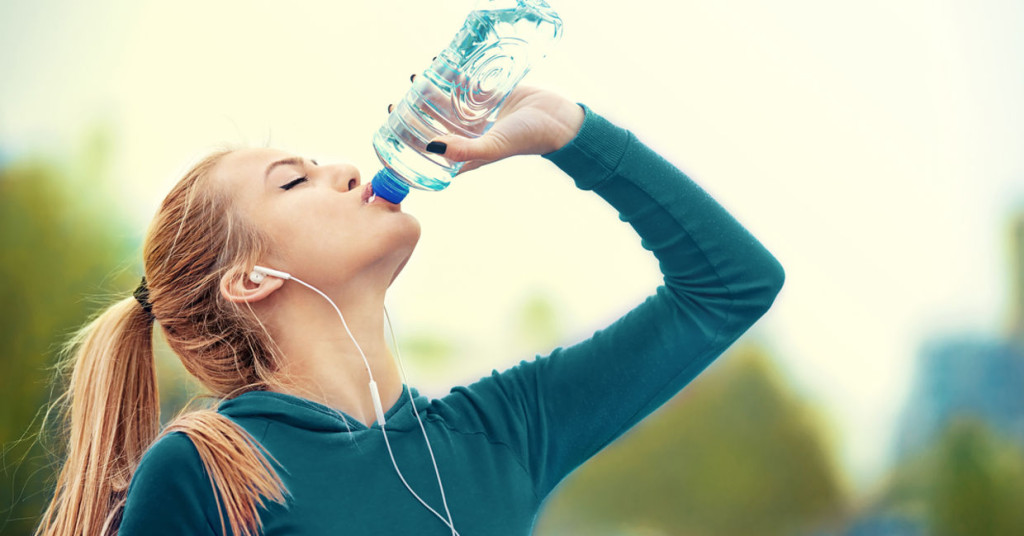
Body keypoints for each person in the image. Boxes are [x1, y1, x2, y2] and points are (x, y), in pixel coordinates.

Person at [34, 85, 784, 536]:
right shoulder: (208, 472)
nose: (348, 169)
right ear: (252, 279)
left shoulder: (502, 432)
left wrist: (564, 130)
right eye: (295, 181)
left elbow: (730, 285)